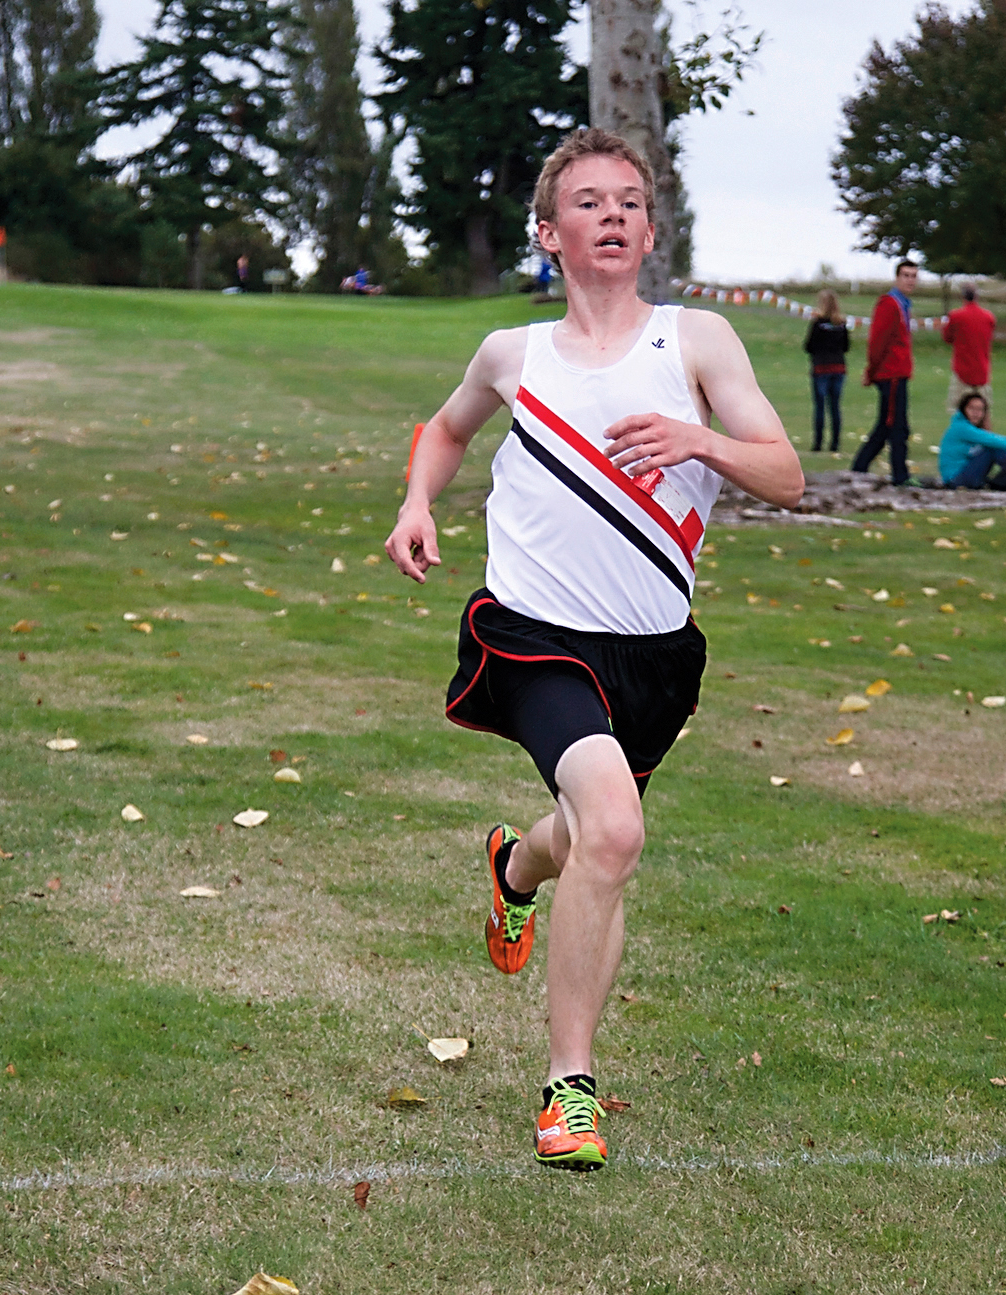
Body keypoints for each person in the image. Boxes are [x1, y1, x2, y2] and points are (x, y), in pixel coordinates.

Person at [383, 128, 804, 1171]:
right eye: (587, 201)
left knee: (581, 840)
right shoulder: (511, 354)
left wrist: (700, 439)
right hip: (532, 636)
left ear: (650, 232)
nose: (611, 214)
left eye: (629, 201)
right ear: (548, 233)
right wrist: (416, 501)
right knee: (614, 830)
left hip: (653, 654)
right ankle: (568, 1088)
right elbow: (446, 429)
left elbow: (786, 475)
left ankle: (512, 865)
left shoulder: (698, 342)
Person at [850, 260, 919, 485]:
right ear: (897, 278)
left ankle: (860, 467)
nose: (910, 280)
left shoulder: (904, 304)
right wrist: (871, 370)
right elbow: (878, 340)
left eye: (913, 276)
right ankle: (900, 475)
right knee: (896, 425)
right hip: (891, 373)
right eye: (906, 275)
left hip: (899, 371)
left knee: (887, 424)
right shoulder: (889, 304)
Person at [938, 392, 1006, 490]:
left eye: (980, 409)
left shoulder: (962, 426)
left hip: (957, 477)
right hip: (956, 479)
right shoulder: (962, 428)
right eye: (971, 408)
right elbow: (994, 441)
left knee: (993, 448)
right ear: (963, 409)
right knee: (991, 448)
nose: (976, 413)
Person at [803, 289, 850, 452]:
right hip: (838, 367)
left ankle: (818, 442)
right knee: (835, 406)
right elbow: (846, 346)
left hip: (821, 368)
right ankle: (835, 443)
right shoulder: (841, 324)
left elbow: (809, 346)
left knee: (820, 406)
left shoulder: (817, 324)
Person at [939, 282, 996, 414]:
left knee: (958, 410)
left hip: (962, 370)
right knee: (983, 412)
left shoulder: (956, 316)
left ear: (962, 296)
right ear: (977, 296)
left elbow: (947, 338)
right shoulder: (988, 317)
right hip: (982, 370)